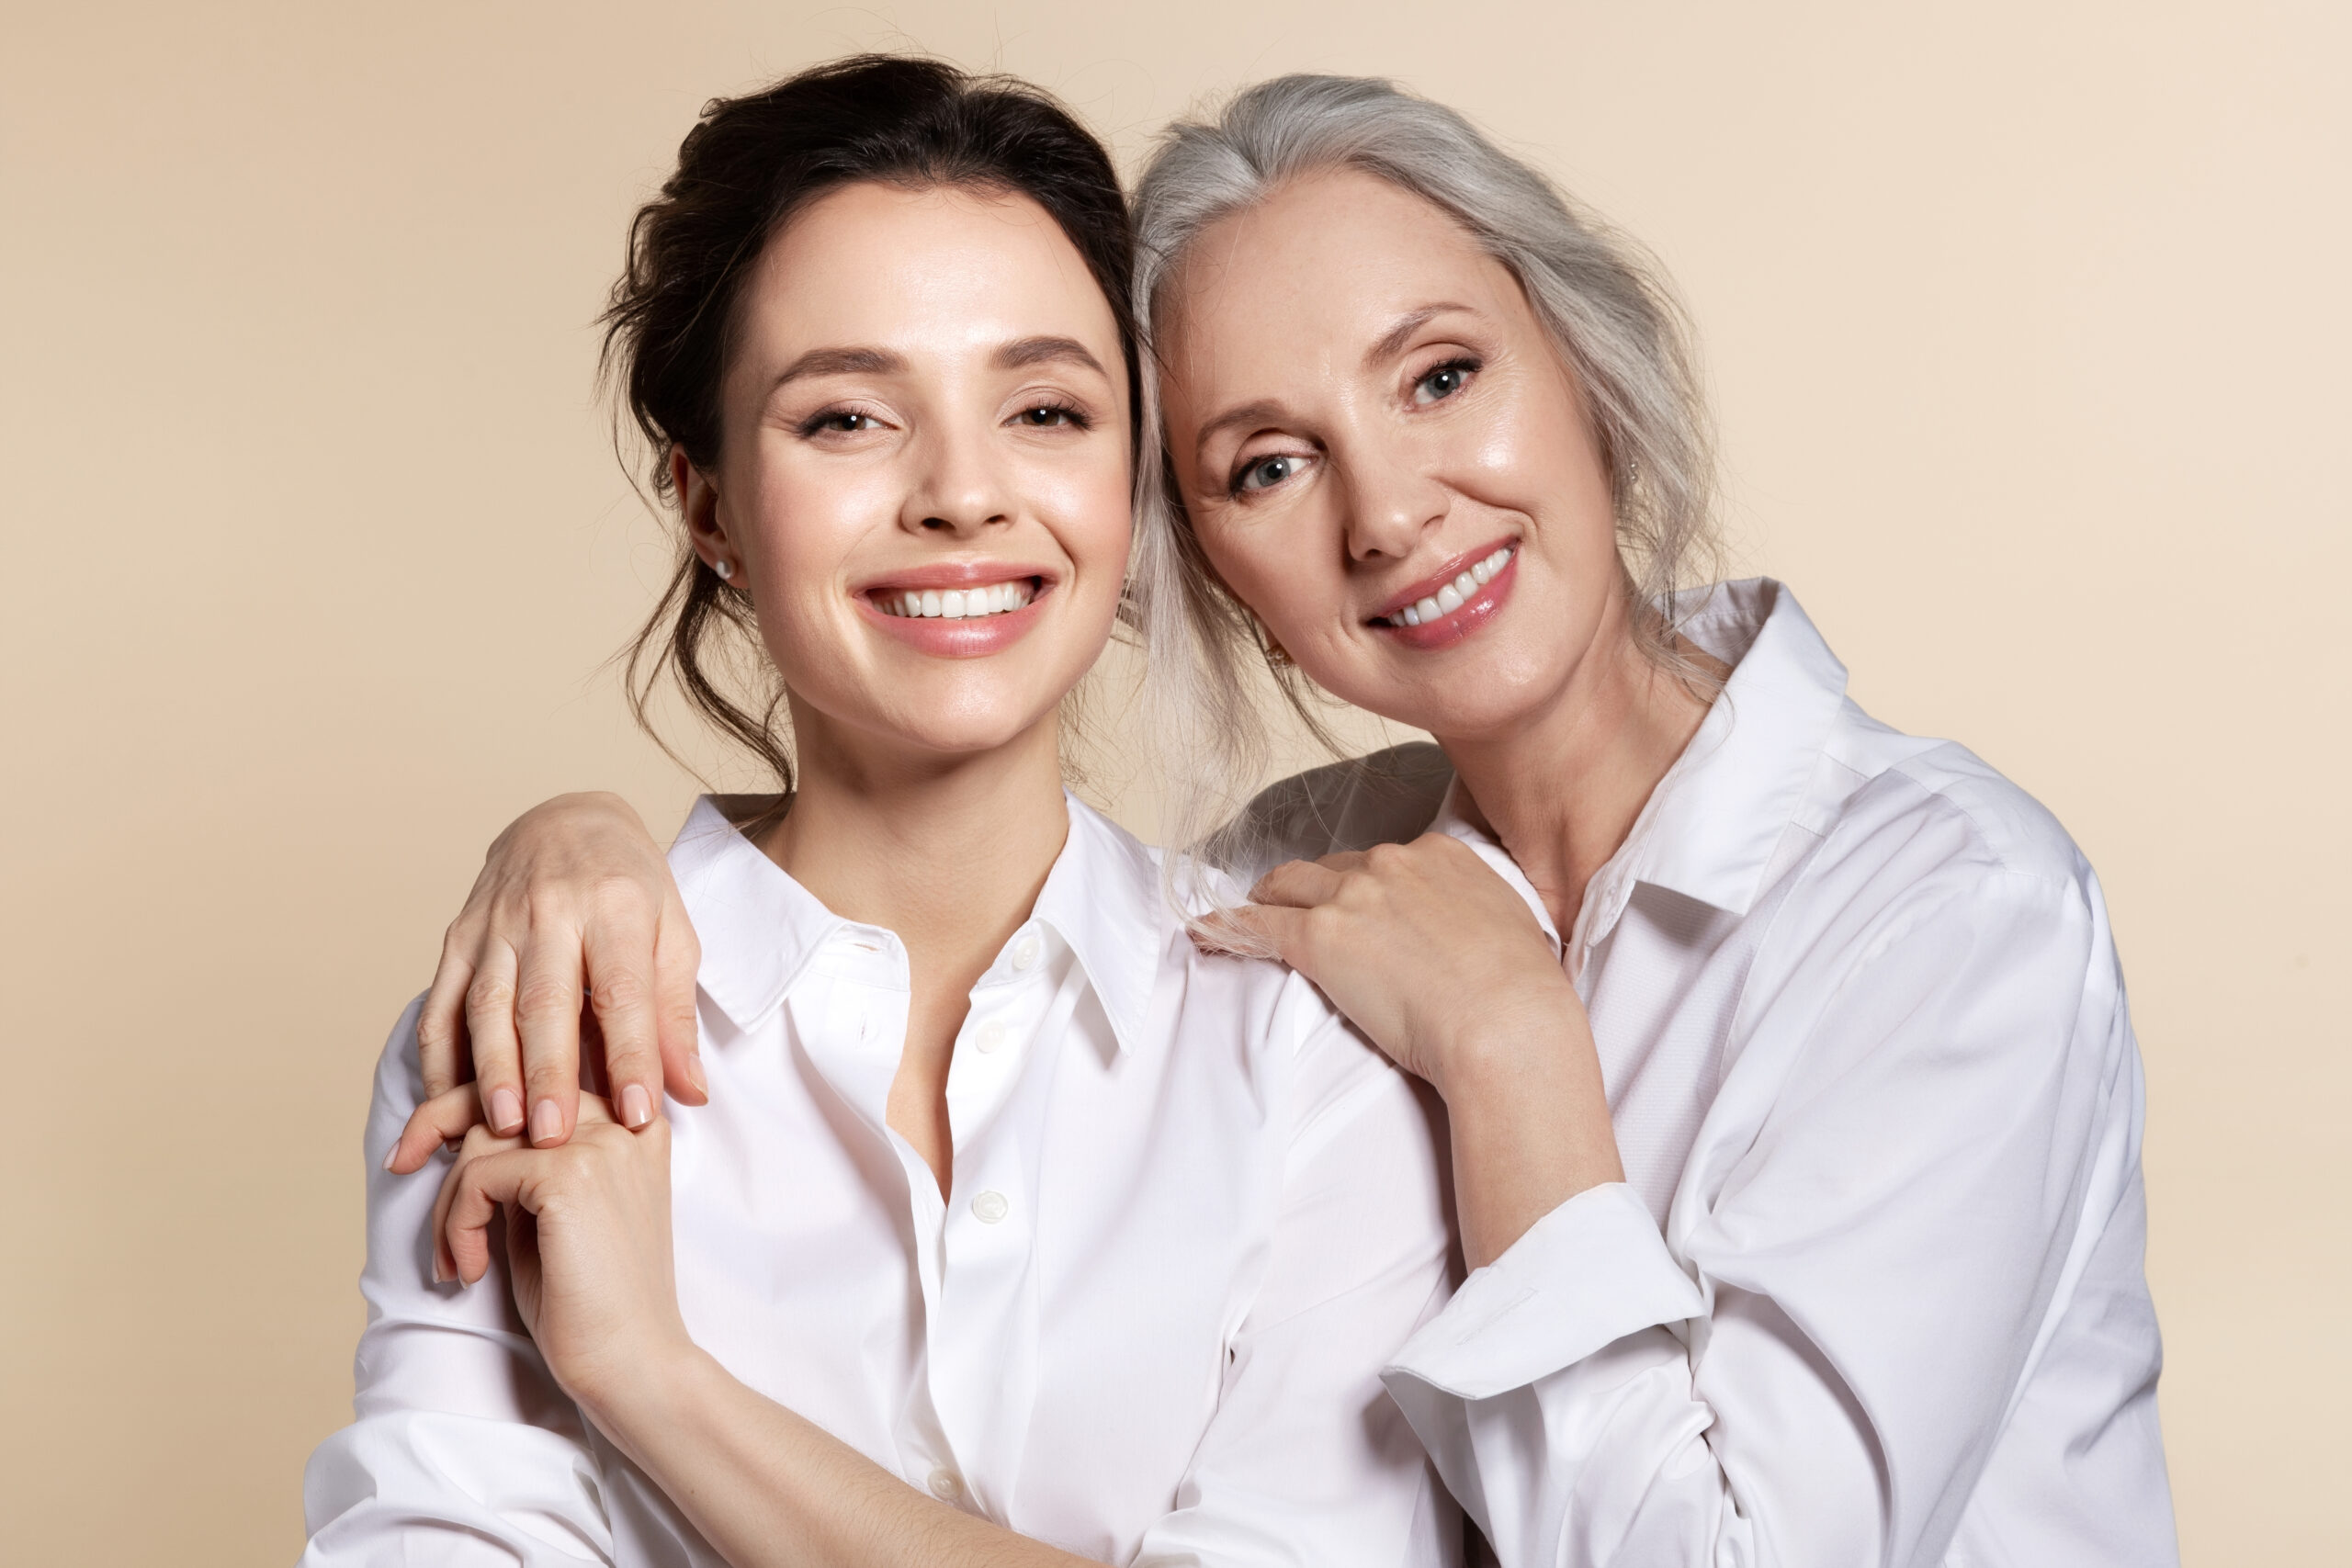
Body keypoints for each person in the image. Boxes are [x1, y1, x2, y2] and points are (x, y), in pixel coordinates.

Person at [423, 72, 2181, 1568]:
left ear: (1587, 366)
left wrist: (1511, 1061)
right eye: (1267, 463)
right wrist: (576, 842)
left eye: (1440, 378)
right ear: (1190, 557)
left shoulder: (1947, 909)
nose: (1393, 510)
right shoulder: (1281, 895)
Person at [300, 57, 1462, 1567]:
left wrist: (650, 1378)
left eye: (1045, 407)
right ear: (710, 504)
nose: (962, 494)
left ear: (1134, 484)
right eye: (847, 419)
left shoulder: (1306, 1043)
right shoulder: (535, 1028)